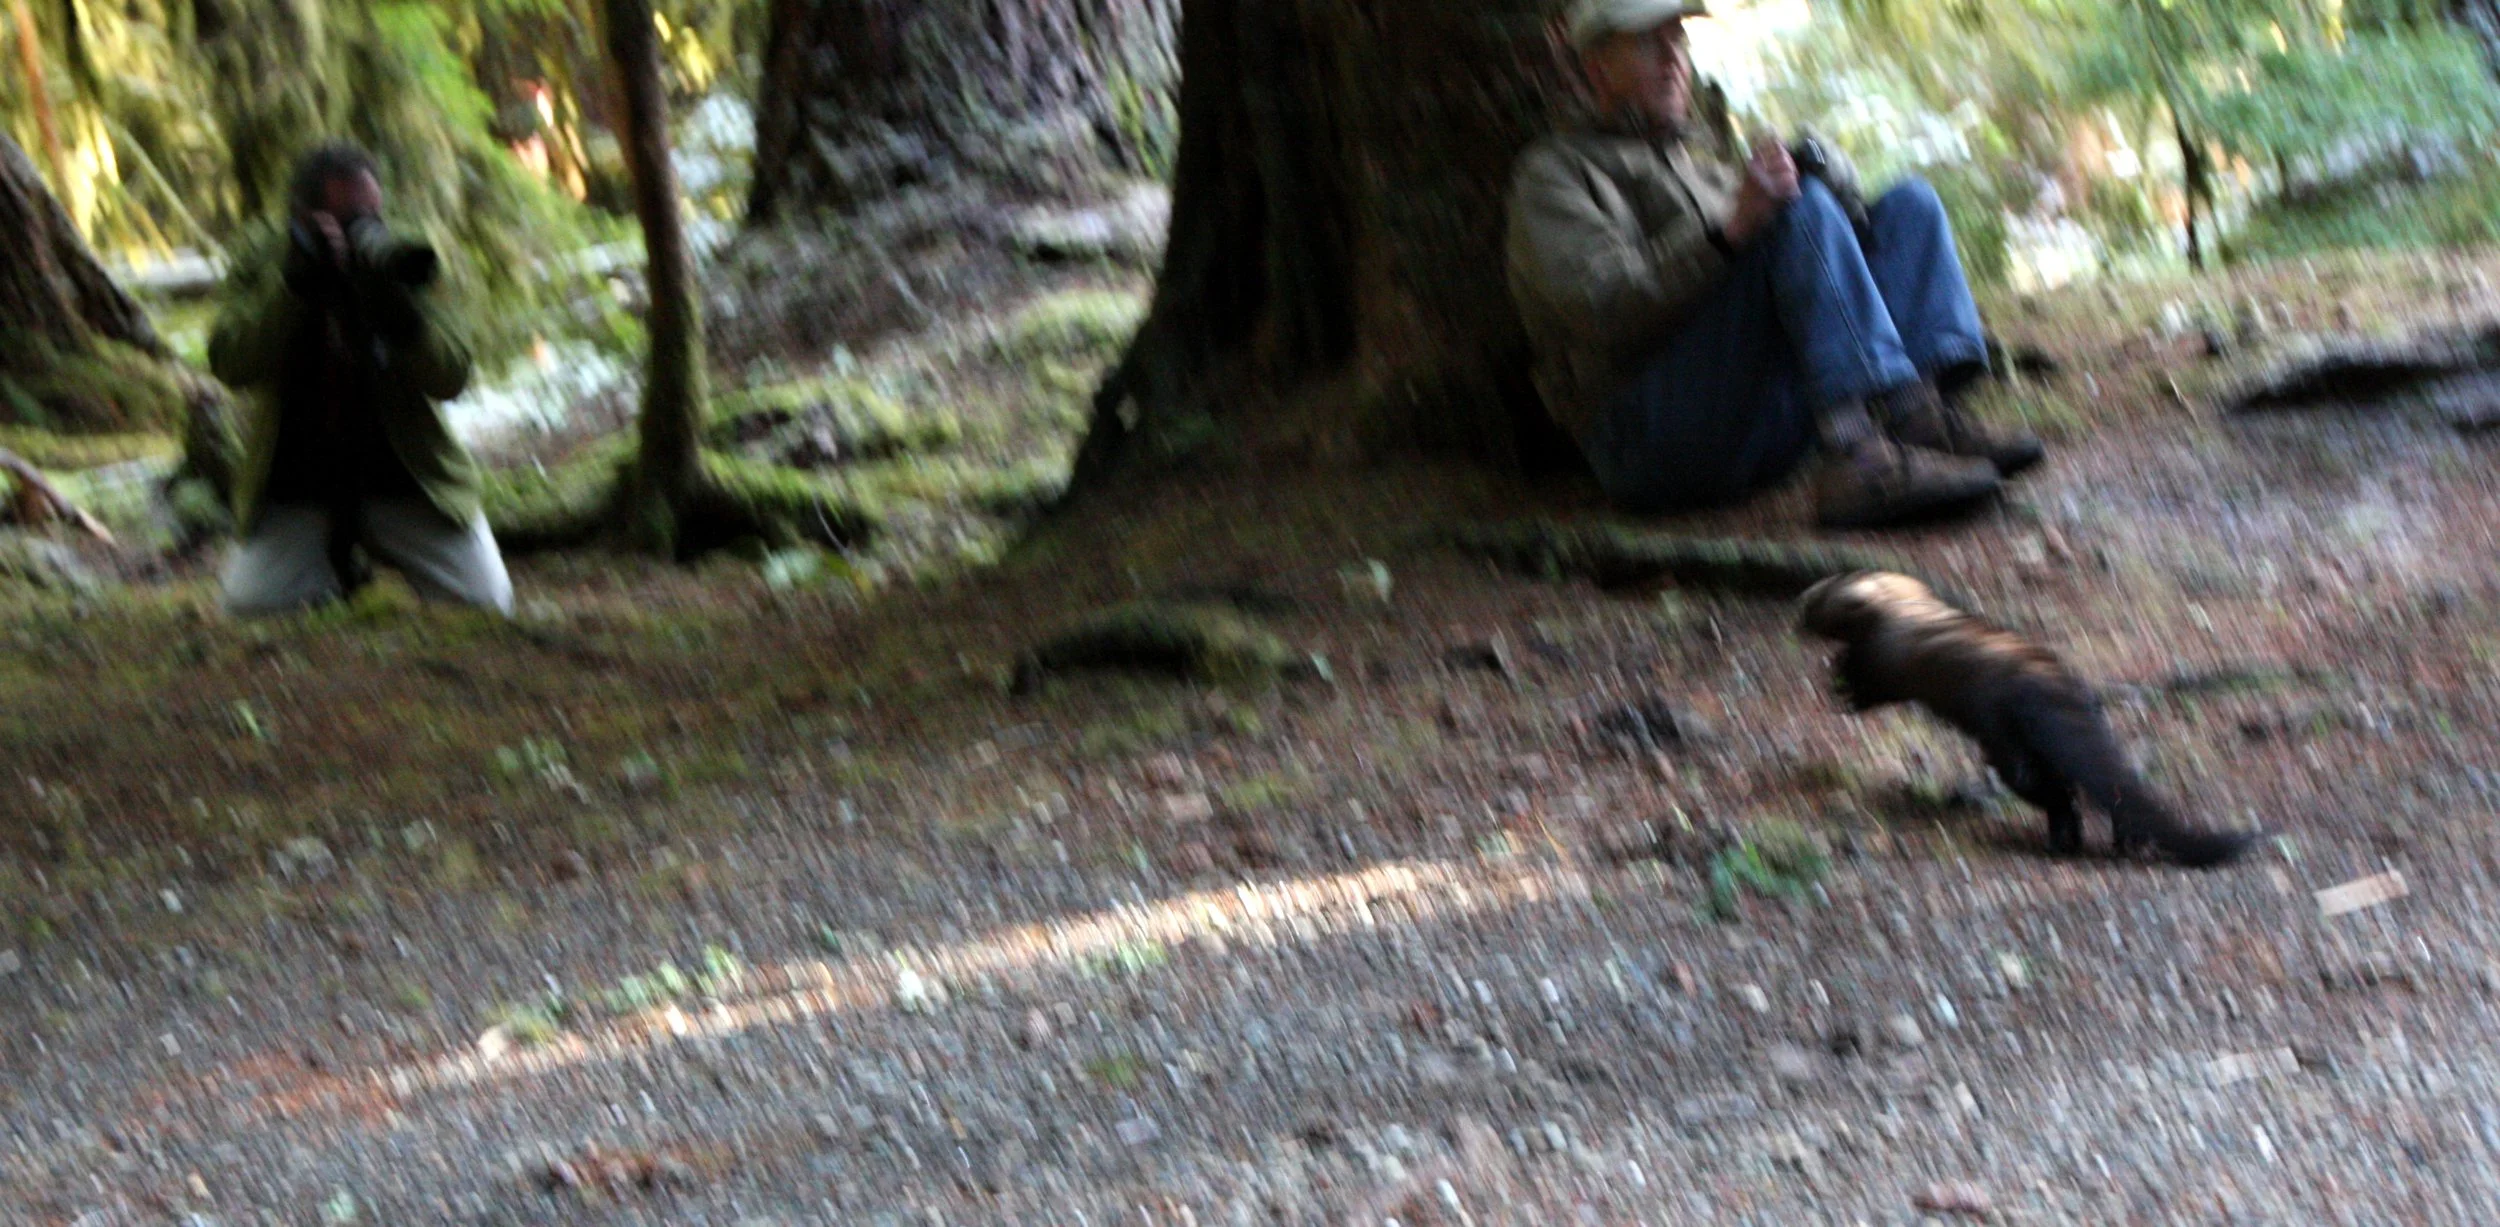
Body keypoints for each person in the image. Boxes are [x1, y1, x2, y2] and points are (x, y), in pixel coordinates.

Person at [1505, 0, 2045, 529]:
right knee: (1793, 211)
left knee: (1910, 205)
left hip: (1749, 420)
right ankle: (1858, 459)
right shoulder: (1553, 175)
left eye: (1678, 40)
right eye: (1650, 43)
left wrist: (1832, 181)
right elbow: (1602, 311)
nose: (1673, 59)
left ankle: (1920, 422)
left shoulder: (1707, 170)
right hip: (1647, 440)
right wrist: (1736, 229)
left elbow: (1832, 273)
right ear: (1598, 69)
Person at [208, 142, 513, 615]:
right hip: (299, 486)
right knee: (249, 607)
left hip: (404, 478)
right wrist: (293, 289)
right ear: (304, 217)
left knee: (487, 600)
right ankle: (334, 572)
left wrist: (401, 316)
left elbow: (452, 375)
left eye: (372, 215)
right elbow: (229, 362)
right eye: (349, 219)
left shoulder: (404, 257)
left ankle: (352, 564)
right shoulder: (266, 256)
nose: (365, 231)